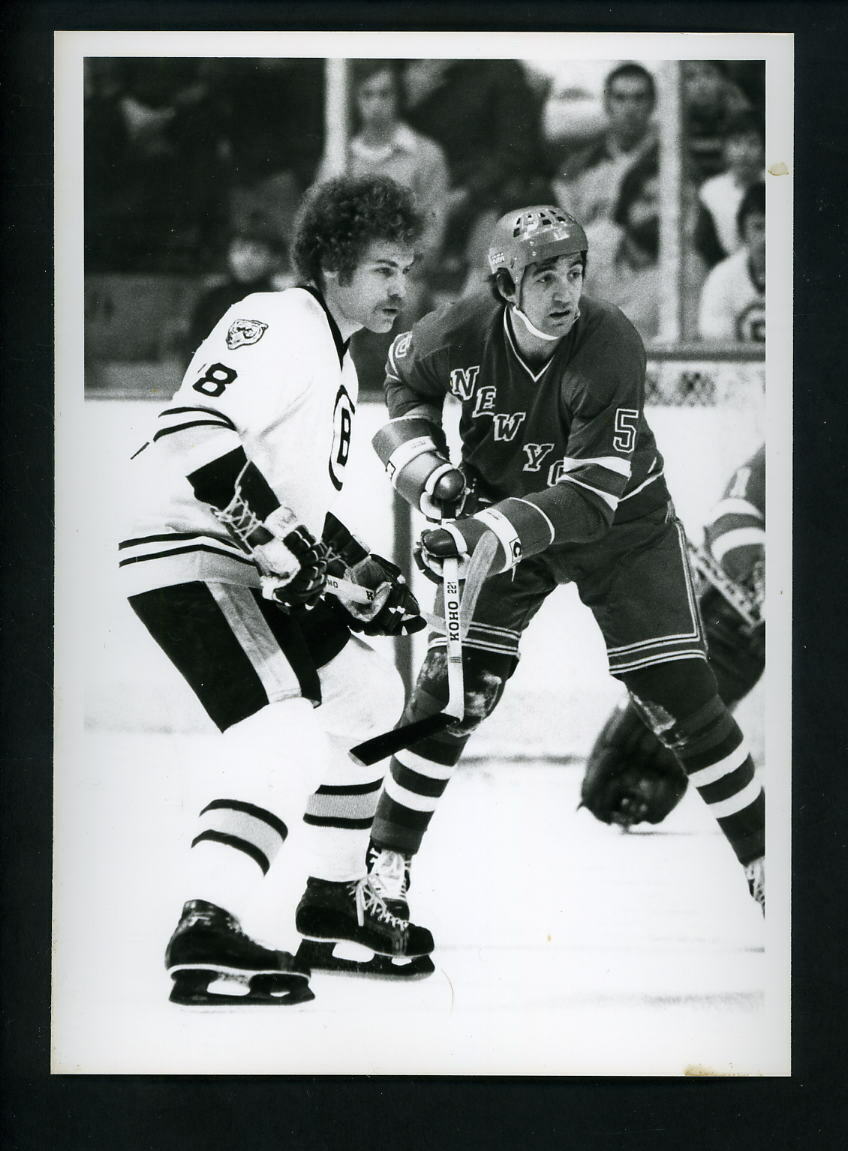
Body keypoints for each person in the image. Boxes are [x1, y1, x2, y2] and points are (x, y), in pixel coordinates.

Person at [364, 205, 766, 937]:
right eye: (544, 275)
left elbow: (588, 498)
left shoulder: (609, 341)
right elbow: (400, 388)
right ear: (505, 284)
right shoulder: (457, 331)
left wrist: (482, 526)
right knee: (451, 693)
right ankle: (382, 873)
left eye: (574, 271)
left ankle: (772, 865)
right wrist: (430, 478)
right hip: (503, 506)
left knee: (683, 696)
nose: (564, 291)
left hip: (623, 524)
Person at [118, 175, 437, 1006]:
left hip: (238, 554)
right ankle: (206, 917)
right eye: (380, 268)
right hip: (187, 547)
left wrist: (355, 566)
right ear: (332, 265)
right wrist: (303, 552)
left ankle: (331, 901)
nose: (399, 286)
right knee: (284, 733)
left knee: (370, 693)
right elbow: (191, 431)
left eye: (405, 267)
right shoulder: (282, 320)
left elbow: (287, 500)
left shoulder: (332, 352)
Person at [580, 445, 765, 829]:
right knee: (674, 708)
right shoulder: (786, 449)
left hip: (753, 625)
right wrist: (760, 575)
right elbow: (733, 514)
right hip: (725, 609)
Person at [316, 60, 449, 391]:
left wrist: (395, 269)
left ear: (398, 99)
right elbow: (320, 222)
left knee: (409, 303)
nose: (376, 104)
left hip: (406, 271)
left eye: (385, 94)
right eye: (367, 95)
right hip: (350, 270)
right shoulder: (340, 157)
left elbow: (433, 230)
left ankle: (396, 390)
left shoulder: (425, 155)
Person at [584, 149, 707, 343]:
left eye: (667, 204)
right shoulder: (594, 254)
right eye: (648, 200)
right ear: (626, 205)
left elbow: (682, 345)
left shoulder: (688, 267)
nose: (657, 211)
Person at [552, 62, 657, 242]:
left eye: (639, 98)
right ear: (607, 103)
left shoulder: (670, 162)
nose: (630, 108)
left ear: (652, 104)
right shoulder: (577, 168)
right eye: (620, 98)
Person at [185, 226, 289, 358]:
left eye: (256, 252)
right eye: (239, 250)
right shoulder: (213, 298)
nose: (246, 259)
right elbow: (194, 345)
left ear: (275, 259)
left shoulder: (278, 301)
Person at [698, 181, 765, 342]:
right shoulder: (722, 277)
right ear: (743, 231)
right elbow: (715, 344)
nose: (766, 238)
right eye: (758, 227)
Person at [697, 112, 765, 261]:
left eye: (753, 143)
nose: (743, 153)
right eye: (736, 143)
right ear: (725, 149)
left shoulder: (778, 186)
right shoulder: (711, 192)